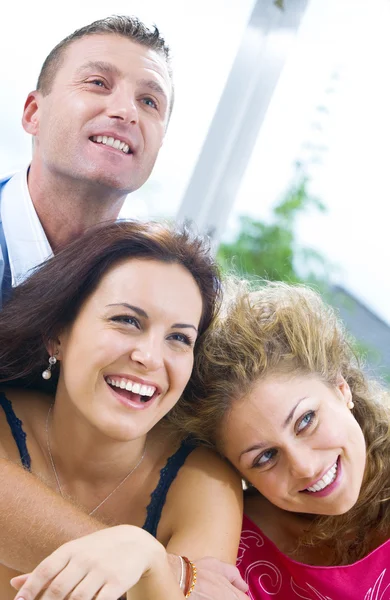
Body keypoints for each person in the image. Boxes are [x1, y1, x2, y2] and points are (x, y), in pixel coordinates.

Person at [0, 221, 247, 600]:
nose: (149, 357)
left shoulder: (201, 481)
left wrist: (142, 552)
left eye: (179, 338)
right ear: (56, 334)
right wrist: (160, 570)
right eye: (126, 320)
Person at [173, 280, 390, 599]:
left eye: (306, 421)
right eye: (264, 457)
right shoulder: (229, 547)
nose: (303, 467)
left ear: (341, 388)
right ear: (236, 472)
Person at [0, 15, 174, 306]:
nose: (126, 111)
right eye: (98, 83)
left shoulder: (158, 294)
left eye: (148, 102)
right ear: (34, 114)